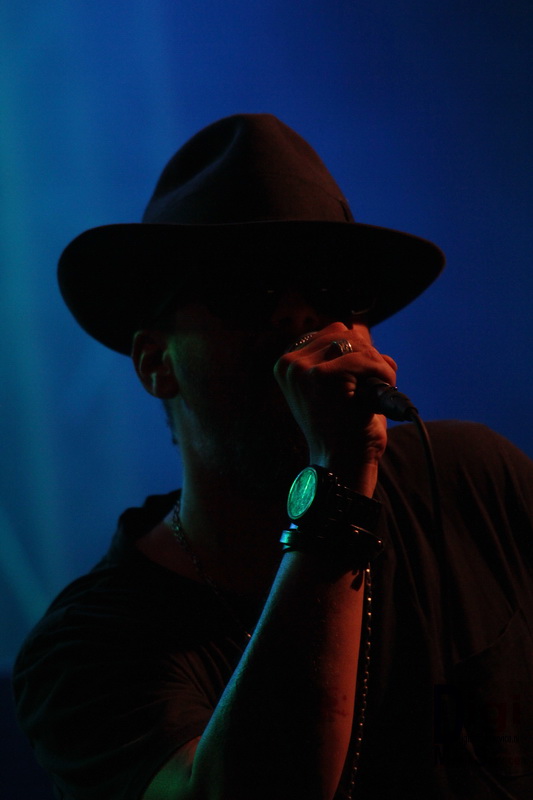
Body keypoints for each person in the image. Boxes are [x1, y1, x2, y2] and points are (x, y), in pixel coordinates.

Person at [12, 114, 533, 800]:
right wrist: (336, 478)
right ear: (157, 363)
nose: (301, 323)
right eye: (247, 287)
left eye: (334, 290)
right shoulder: (89, 649)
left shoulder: (474, 479)